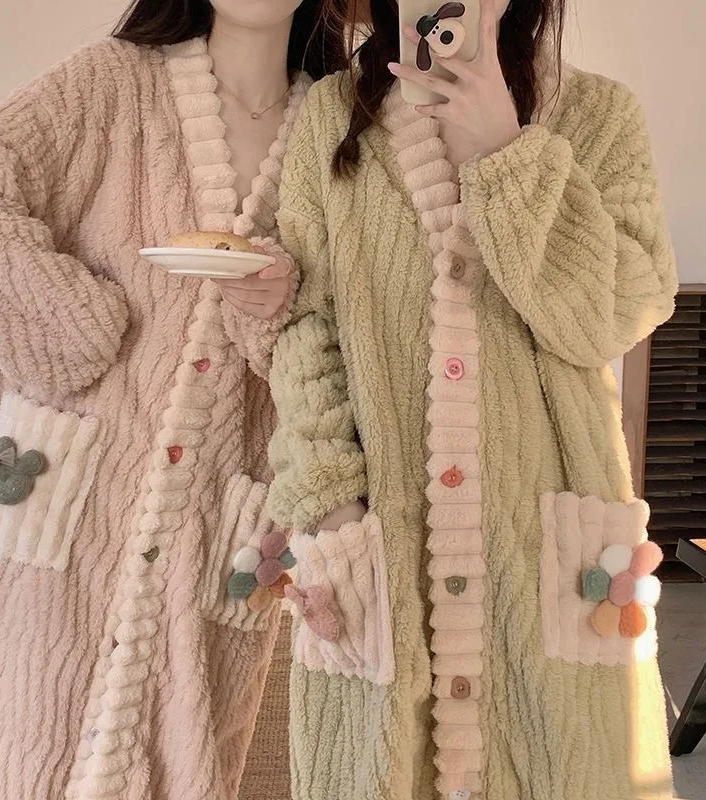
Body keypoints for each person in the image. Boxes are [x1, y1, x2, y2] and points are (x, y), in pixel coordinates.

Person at [266, 0, 679, 798]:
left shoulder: (599, 116)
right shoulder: (330, 119)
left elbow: (615, 317)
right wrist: (329, 503)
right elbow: (301, 324)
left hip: (544, 541)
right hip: (379, 538)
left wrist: (508, 152)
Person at [0, 1, 344, 797]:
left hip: (218, 533)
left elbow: (361, 333)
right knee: (11, 748)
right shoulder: (112, 83)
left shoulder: (339, 134)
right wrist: (74, 327)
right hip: (62, 508)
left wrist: (279, 308)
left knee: (183, 755)